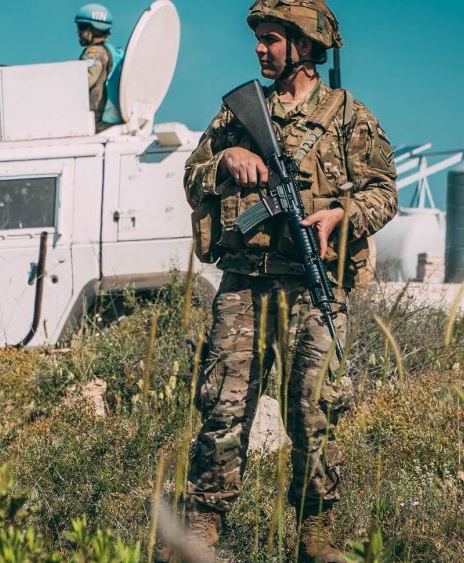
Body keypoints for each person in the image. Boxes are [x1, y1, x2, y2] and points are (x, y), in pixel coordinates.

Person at [170, 1, 398, 561]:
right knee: (223, 409)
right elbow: (192, 176)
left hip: (312, 288)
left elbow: (384, 191)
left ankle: (315, 531)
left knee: (314, 412)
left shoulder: (349, 117)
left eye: (271, 39)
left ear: (304, 45)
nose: (259, 48)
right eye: (261, 38)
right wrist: (227, 160)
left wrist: (340, 215)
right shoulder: (236, 115)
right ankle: (201, 526)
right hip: (244, 286)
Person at [75, 3, 122, 131]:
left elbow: (82, 83)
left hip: (95, 123)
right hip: (112, 120)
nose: (78, 32)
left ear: (93, 29)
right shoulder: (113, 51)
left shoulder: (94, 53)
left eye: (81, 27)